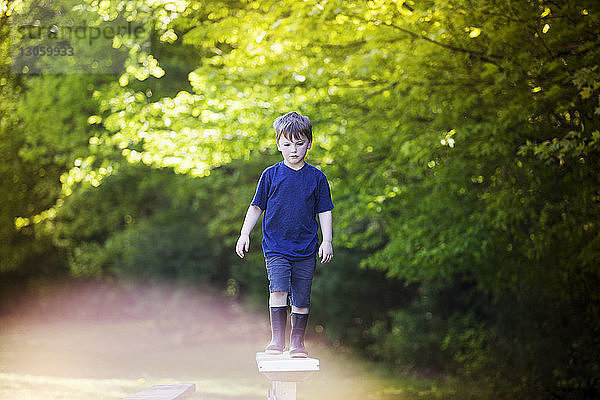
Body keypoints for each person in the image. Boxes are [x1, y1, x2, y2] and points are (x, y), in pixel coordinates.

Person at [235, 111, 334, 358]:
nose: (294, 149)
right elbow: (256, 206)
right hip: (276, 246)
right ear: (279, 144)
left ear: (308, 144)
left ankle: (297, 343)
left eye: (299, 144)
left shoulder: (317, 178)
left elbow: (325, 210)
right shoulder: (270, 175)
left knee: (301, 297)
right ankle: (277, 341)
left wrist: (327, 241)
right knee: (278, 290)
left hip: (306, 248)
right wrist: (244, 234)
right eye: (287, 144)